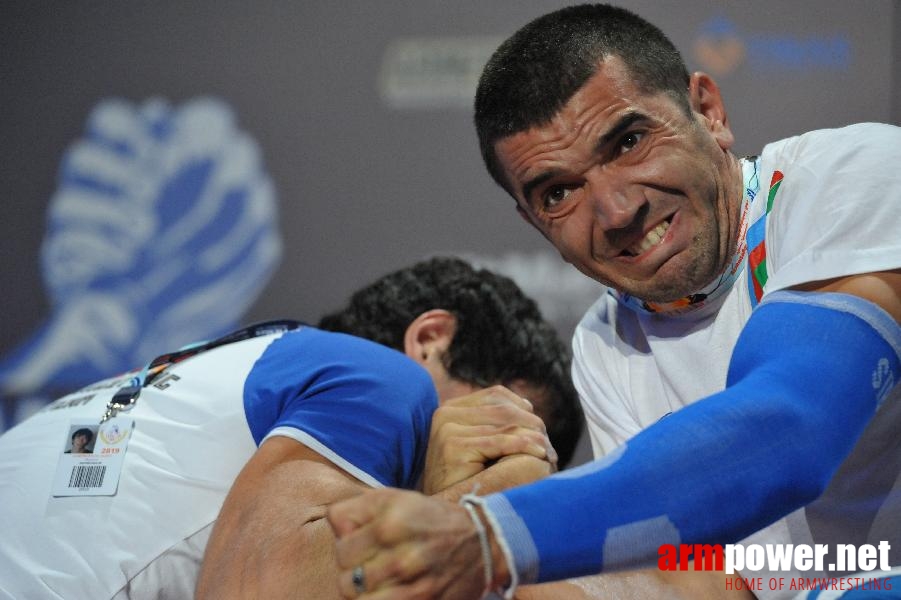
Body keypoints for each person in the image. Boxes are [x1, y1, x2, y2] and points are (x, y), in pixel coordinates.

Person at [327, 4, 901, 599]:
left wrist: (493, 535)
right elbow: (701, 583)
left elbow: (791, 432)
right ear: (532, 220)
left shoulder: (856, 176)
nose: (617, 211)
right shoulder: (605, 343)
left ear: (708, 111)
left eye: (628, 141)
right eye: (559, 192)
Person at [0, 256, 583, 599]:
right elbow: (256, 593)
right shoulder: (383, 379)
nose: (510, 454)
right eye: (503, 423)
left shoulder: (251, 368)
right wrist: (495, 497)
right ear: (430, 342)